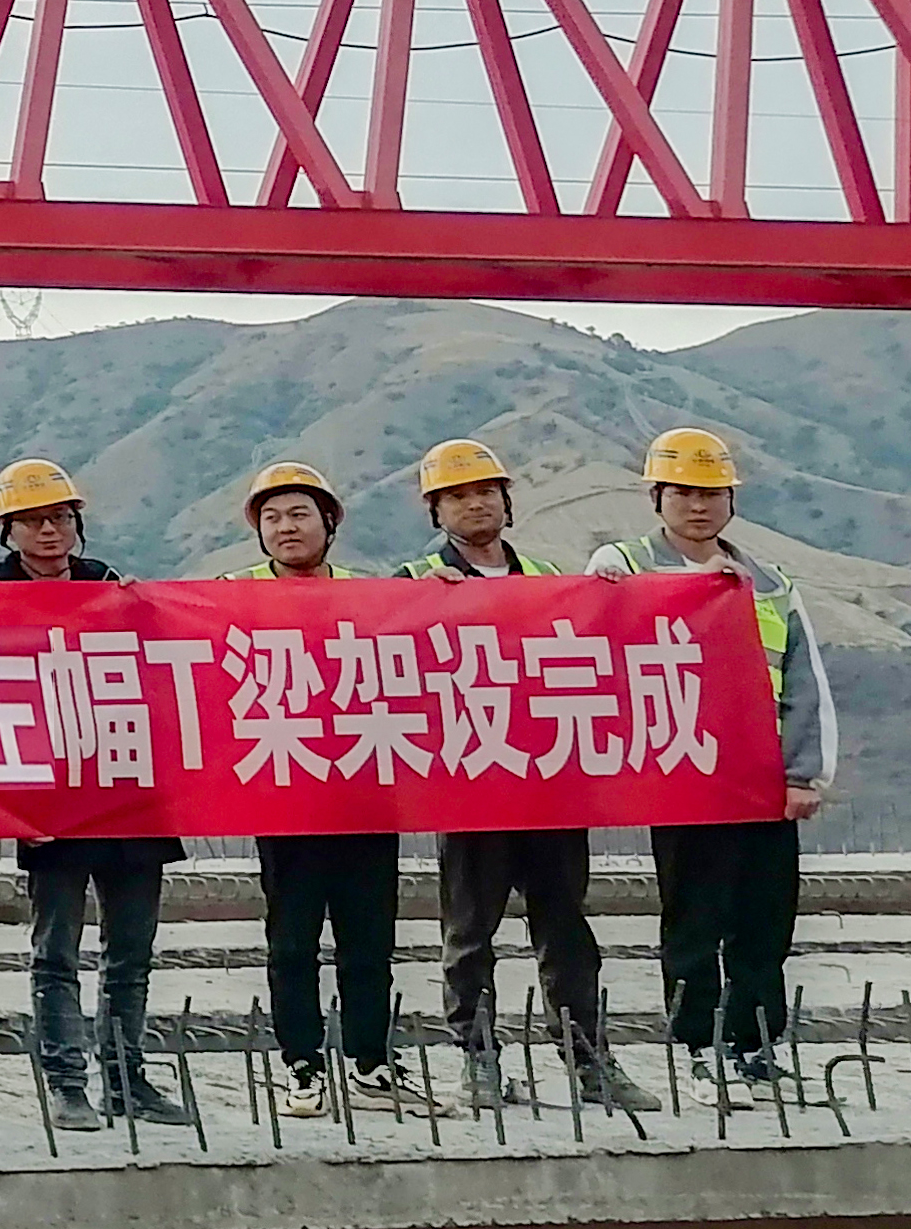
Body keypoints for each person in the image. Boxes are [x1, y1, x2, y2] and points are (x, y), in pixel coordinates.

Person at [405, 439, 653, 1114]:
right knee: (469, 933)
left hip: (549, 782)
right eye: (456, 495)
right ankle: (477, 1059)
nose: (475, 502)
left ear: (508, 501)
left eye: (485, 490)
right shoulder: (412, 580)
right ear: (436, 511)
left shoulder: (547, 577)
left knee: (567, 929)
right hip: (470, 786)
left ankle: (590, 1060)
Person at [592, 428, 844, 1091]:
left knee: (764, 921)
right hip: (681, 781)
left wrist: (803, 774)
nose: (698, 506)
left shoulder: (768, 582)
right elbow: (583, 627)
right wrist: (605, 576)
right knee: (693, 919)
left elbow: (804, 683)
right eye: (683, 492)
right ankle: (696, 1043)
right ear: (657, 497)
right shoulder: (624, 564)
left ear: (730, 500)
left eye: (712, 493)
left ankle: (756, 1044)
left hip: (760, 783)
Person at [0, 459, 185, 1133]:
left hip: (129, 794)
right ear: (8, 531)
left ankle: (129, 1078)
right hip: (51, 803)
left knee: (131, 951)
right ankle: (67, 1081)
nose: (49, 530)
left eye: (61, 517)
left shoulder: (112, 587)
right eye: (34, 520)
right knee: (57, 953)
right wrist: (13, 808)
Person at [235, 460, 435, 1121]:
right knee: (291, 941)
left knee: (369, 939)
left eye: (298, 514)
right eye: (271, 518)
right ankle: (301, 1063)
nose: (285, 527)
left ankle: (372, 1060)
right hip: (283, 795)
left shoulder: (370, 593)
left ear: (329, 522)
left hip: (364, 793)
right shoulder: (229, 595)